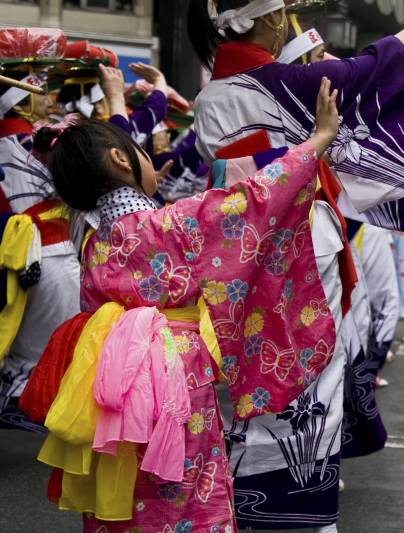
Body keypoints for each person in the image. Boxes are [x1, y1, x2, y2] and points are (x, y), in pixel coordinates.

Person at [188, 1, 404, 530]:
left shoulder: (212, 94)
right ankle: (300, 515)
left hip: (236, 249)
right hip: (299, 244)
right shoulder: (276, 84)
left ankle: (242, 500)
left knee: (249, 376)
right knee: (308, 379)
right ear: (272, 20)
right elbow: (367, 70)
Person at [28, 78, 342, 533]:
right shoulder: (170, 224)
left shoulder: (93, 242)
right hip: (174, 374)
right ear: (121, 160)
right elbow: (252, 201)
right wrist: (318, 141)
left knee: (126, 479)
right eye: (140, 152)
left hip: (110, 379)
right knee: (183, 481)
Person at [0, 66, 81, 431]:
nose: (51, 99)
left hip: (15, 252)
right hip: (50, 252)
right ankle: (34, 403)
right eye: (40, 92)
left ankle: (18, 399)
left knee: (21, 338)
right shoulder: (38, 141)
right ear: (22, 103)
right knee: (51, 339)